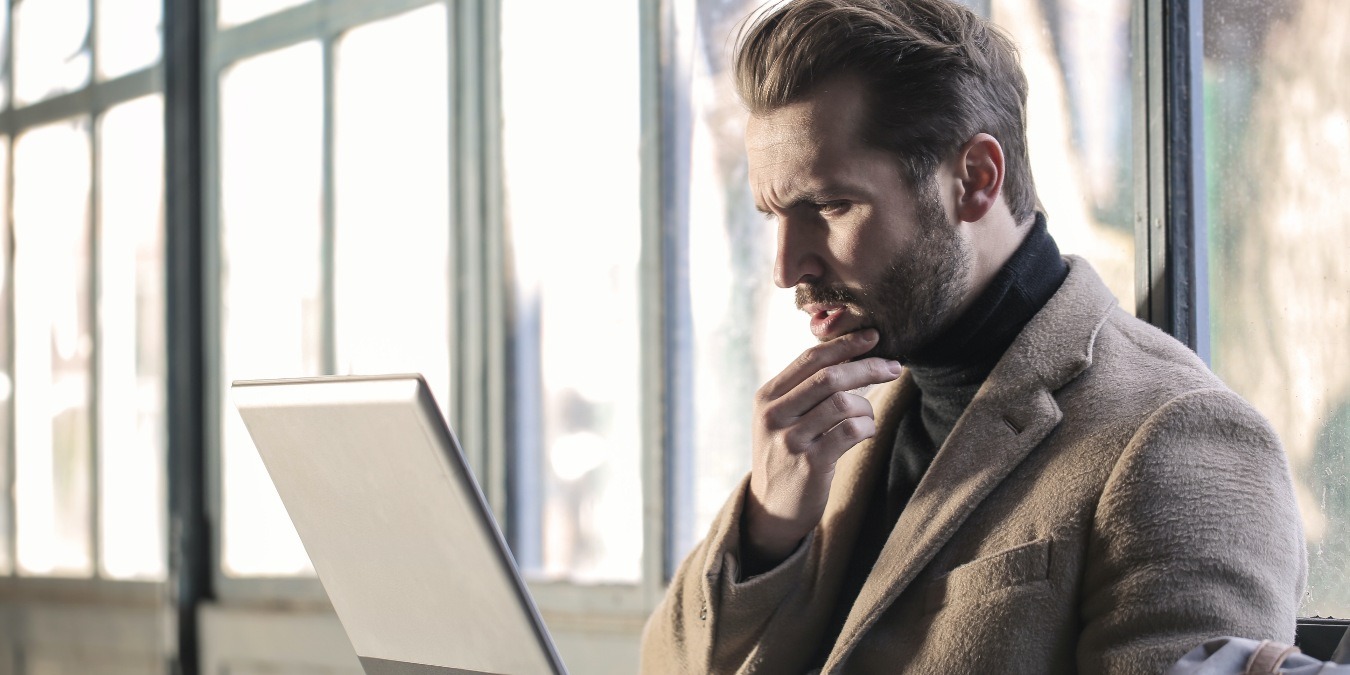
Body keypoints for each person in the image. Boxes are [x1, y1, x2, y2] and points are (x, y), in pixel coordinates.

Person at [639, 0, 1307, 672]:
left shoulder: (1181, 437)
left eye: (830, 205)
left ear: (976, 179)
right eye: (774, 214)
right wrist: (766, 529)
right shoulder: (839, 411)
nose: (787, 267)